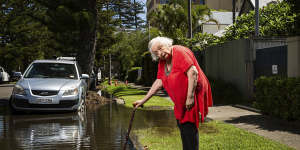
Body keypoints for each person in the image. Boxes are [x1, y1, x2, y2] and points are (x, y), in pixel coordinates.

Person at [133, 36, 213, 150]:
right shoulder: (162, 62)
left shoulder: (179, 52)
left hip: (193, 94)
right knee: (183, 128)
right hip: (180, 102)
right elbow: (159, 81)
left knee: (189, 129)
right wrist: (143, 100)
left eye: (161, 48)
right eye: (156, 53)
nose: (160, 53)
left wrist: (190, 97)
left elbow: (193, 72)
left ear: (168, 44)